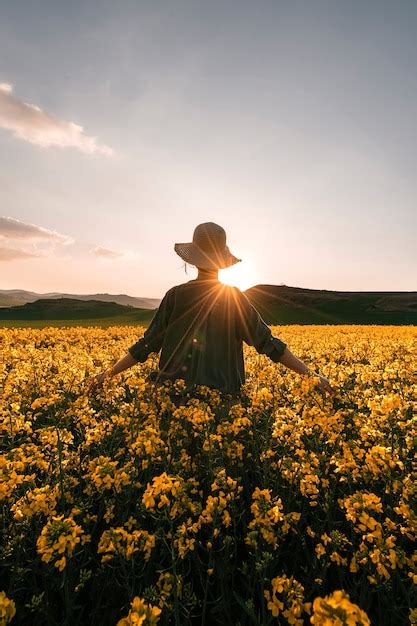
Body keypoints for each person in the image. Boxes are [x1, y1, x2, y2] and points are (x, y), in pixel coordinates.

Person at [87, 222, 336, 399]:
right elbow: (269, 344)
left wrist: (106, 375)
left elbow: (146, 345)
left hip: (171, 400)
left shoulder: (175, 296)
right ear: (222, 261)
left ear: (192, 259)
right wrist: (312, 376)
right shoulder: (233, 298)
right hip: (223, 403)